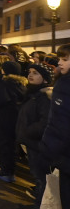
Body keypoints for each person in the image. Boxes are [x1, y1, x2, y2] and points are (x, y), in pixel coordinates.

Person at [16, 63, 53, 205]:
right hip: (31, 142)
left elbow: (44, 123)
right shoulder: (33, 93)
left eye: (35, 73)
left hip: (37, 144)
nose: (30, 75)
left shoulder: (44, 97)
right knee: (37, 177)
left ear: (45, 79)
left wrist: (27, 131)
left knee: (41, 178)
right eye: (30, 72)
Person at [0, 61, 27, 183]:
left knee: (5, 144)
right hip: (15, 117)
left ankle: (6, 172)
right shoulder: (21, 83)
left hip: (5, 117)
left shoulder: (5, 82)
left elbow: (0, 99)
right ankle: (10, 171)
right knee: (12, 145)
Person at [40, 43, 70, 206]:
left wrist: (47, 149)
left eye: (64, 59)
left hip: (64, 155)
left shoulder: (65, 84)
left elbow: (60, 124)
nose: (59, 63)